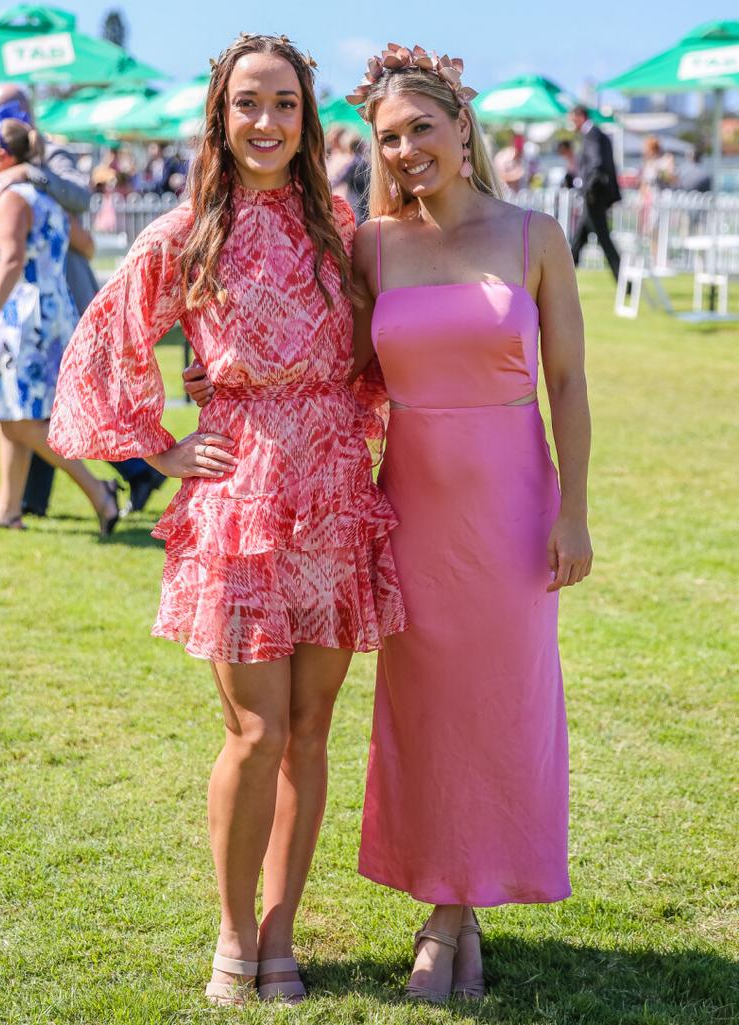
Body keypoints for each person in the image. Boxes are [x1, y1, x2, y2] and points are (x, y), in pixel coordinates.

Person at [48, 33, 405, 1007]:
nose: (266, 121)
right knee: (256, 727)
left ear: (306, 116)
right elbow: (101, 343)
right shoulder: (186, 230)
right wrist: (158, 446)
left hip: (333, 493)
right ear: (220, 114)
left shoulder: (340, 225)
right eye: (248, 102)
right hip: (239, 496)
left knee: (314, 726)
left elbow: (377, 349)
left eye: (284, 103)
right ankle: (235, 932)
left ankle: (286, 931)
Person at [346, 44, 592, 1002]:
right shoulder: (371, 245)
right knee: (425, 707)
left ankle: (447, 922)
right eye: (389, 138)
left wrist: (574, 510)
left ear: (462, 128)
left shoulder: (535, 236)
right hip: (411, 502)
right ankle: (453, 907)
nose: (407, 150)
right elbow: (328, 361)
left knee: (498, 705)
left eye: (421, 129)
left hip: (512, 502)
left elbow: (567, 382)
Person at [0, 84, 165, 518]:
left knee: (51, 408)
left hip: (45, 305)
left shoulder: (43, 165)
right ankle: (21, 504)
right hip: (48, 305)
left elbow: (80, 202)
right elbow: (80, 237)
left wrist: (29, 174)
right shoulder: (22, 186)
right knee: (37, 408)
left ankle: (124, 478)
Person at [0, 110, 120, 534]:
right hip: (53, 310)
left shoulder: (14, 197)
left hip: (23, 316)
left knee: (22, 419)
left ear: (2, 155)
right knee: (11, 413)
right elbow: (87, 244)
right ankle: (8, 509)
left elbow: (12, 258)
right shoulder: (45, 197)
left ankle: (99, 492)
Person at [568, 104, 621, 280]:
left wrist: (588, 189)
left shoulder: (592, 134)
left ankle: (623, 278)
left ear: (580, 116)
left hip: (594, 197)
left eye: (572, 118)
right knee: (580, 238)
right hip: (594, 196)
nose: (571, 122)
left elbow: (596, 164)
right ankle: (564, 274)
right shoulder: (594, 134)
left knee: (603, 240)